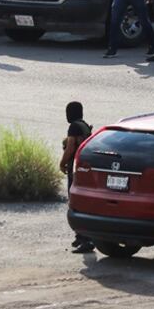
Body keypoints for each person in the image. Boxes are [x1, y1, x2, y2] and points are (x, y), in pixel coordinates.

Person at [59, 101, 94, 253]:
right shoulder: (84, 125)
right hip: (82, 168)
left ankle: (85, 239)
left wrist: (62, 162)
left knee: (75, 203)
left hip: (75, 168)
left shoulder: (74, 126)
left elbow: (72, 146)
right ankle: (81, 237)